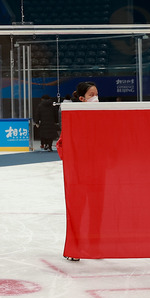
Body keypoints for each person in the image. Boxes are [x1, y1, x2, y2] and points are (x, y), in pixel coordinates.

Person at [56, 81, 98, 262]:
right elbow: (62, 144)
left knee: (97, 209)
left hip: (99, 172)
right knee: (78, 209)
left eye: (97, 94)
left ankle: (96, 245)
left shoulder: (103, 116)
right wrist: (73, 161)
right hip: (79, 173)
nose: (95, 98)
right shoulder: (73, 117)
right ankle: (76, 246)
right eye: (91, 95)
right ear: (81, 98)